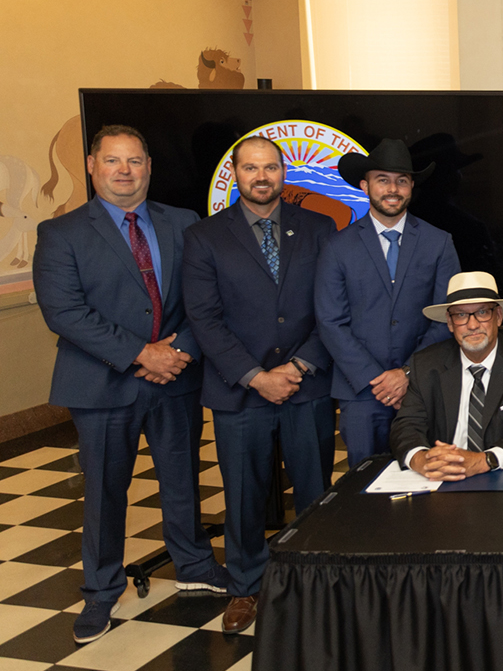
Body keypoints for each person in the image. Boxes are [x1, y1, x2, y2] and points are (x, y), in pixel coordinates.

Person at [33, 125, 226, 644]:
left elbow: (206, 298)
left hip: (176, 378)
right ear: (92, 165)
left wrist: (179, 352)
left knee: (183, 480)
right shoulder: (61, 232)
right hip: (100, 384)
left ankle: (195, 566)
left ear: (148, 167)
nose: (124, 171)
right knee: (104, 491)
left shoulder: (183, 222)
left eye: (135, 161)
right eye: (113, 160)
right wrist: (142, 354)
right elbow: (64, 312)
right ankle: (101, 591)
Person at [181, 135, 336, 634]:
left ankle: (315, 582)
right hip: (238, 390)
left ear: (283, 172)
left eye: (270, 167)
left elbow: (332, 307)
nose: (262, 177)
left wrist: (298, 367)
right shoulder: (204, 236)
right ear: (235, 173)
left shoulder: (318, 227)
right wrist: (256, 377)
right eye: (251, 168)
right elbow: (204, 318)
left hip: (305, 385)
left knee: (315, 491)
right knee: (243, 496)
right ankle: (245, 586)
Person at [314, 139, 460, 468]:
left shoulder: (439, 243)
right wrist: (377, 380)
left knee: (429, 477)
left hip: (424, 387)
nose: (393, 189)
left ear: (411, 188)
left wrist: (406, 373)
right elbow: (330, 321)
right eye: (383, 180)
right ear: (365, 186)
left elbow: (447, 316)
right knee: (365, 481)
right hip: (361, 392)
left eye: (401, 181)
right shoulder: (337, 247)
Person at [391, 272, 503, 478]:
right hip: (442, 475)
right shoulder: (425, 364)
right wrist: (421, 460)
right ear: (449, 323)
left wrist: (482, 461)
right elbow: (406, 425)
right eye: (461, 315)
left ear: (498, 316)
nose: (472, 325)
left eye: (482, 312)